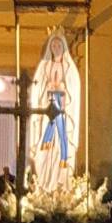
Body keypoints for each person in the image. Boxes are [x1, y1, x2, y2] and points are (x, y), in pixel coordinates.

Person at [29, 30, 81, 191]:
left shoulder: (68, 68)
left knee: (60, 144)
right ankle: (44, 183)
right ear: (50, 47)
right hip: (48, 111)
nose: (56, 47)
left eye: (59, 44)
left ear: (64, 47)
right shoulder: (44, 67)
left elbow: (74, 89)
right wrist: (48, 89)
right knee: (45, 147)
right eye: (54, 44)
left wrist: (63, 88)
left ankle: (60, 183)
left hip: (61, 111)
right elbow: (38, 91)